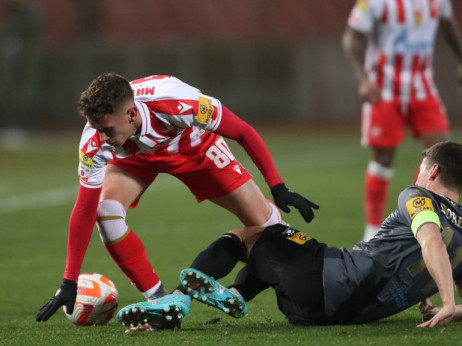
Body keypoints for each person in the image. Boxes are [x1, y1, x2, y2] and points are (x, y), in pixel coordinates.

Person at [35, 73, 319, 326]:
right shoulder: (97, 141)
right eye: (97, 129)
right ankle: (162, 302)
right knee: (105, 212)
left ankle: (242, 285)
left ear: (132, 114)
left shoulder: (177, 102)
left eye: (107, 129)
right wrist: (69, 280)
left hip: (193, 149)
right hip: (135, 157)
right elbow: (83, 209)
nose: (102, 137)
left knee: (269, 227)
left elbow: (243, 132)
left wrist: (278, 186)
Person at [177, 141, 462, 327]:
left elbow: (431, 239)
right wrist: (450, 305)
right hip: (327, 315)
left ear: (433, 171)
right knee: (278, 250)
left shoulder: (419, 197)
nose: (417, 176)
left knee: (256, 233)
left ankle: (176, 298)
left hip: (328, 280)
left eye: (421, 169)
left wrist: (448, 303)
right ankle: (236, 293)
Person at [342, 0, 462, 241]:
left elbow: (448, 24)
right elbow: (352, 38)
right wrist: (363, 78)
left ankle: (431, 224)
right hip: (383, 89)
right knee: (383, 158)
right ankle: (371, 234)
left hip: (422, 87)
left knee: (442, 156)